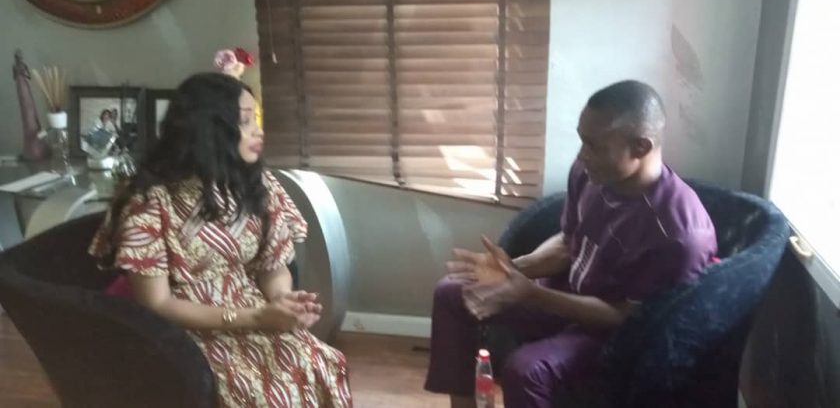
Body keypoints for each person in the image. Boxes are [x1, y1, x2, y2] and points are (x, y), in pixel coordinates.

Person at [424, 80, 718, 408]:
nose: (581, 155)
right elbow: (568, 244)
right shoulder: (589, 174)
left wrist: (530, 293)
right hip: (570, 294)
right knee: (453, 292)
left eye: (594, 146)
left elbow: (630, 318)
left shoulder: (678, 234)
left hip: (618, 334)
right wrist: (511, 271)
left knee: (526, 370)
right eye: (582, 140)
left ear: (640, 148)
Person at [89, 73, 352, 408]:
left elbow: (273, 268)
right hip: (182, 330)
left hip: (253, 309)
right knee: (260, 393)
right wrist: (256, 317)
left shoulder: (257, 185)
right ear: (209, 129)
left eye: (256, 119)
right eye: (245, 122)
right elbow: (157, 304)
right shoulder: (150, 203)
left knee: (320, 363)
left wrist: (283, 302)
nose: (259, 131)